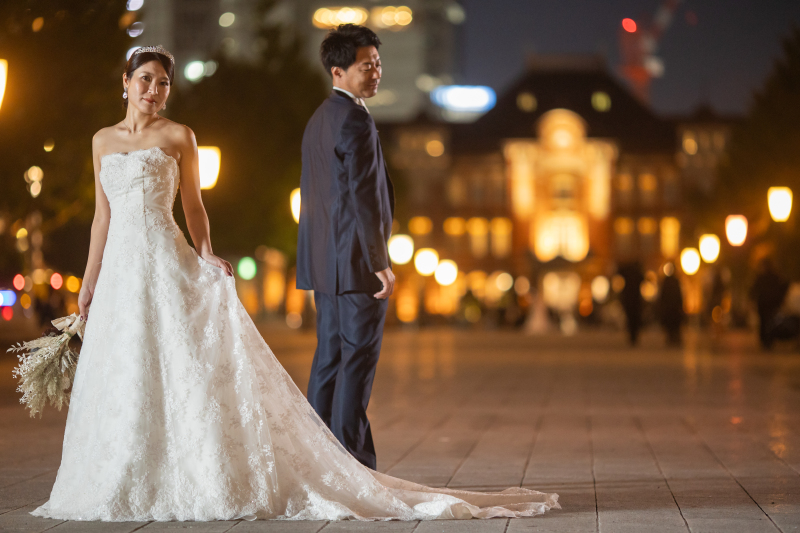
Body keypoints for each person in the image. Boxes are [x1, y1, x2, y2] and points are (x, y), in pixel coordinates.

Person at [29, 43, 558, 522]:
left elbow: (194, 204)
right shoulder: (101, 141)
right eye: (144, 79)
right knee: (125, 366)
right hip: (120, 268)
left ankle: (205, 464)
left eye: (163, 82)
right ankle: (123, 467)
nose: (153, 90)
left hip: (165, 259)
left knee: (181, 363)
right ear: (125, 82)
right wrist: (89, 281)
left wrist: (207, 253)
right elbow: (102, 217)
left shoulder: (179, 136)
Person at [296, 24, 394, 471]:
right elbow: (365, 196)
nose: (376, 72)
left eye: (377, 63)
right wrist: (380, 263)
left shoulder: (319, 118)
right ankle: (352, 465)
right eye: (366, 66)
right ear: (339, 70)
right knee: (356, 363)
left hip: (326, 264)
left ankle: (323, 462)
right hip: (356, 266)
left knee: (329, 362)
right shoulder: (354, 118)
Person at [750, 258, 789, 350]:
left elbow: (754, 290)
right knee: (765, 322)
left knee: (767, 322)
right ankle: (766, 341)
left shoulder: (771, 277)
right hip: (767, 304)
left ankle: (767, 340)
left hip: (768, 304)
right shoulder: (767, 277)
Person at [657, 262, 684, 346]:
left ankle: (673, 338)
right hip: (672, 308)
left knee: (673, 325)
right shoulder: (672, 281)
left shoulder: (670, 281)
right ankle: (672, 338)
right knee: (672, 325)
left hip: (672, 308)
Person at [618, 261, 645, 345]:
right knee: (634, 319)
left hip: (630, 300)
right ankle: (633, 337)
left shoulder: (628, 273)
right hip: (635, 300)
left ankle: (632, 337)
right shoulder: (636, 273)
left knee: (631, 319)